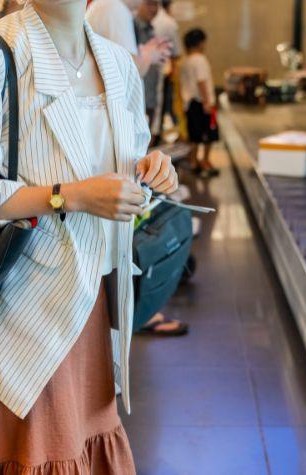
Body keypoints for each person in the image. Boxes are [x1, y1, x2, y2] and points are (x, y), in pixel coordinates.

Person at [0, 1, 179, 472]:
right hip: (19, 310)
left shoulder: (117, 62)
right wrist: (68, 197)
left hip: (92, 303)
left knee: (83, 443)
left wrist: (153, 173)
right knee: (35, 453)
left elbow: (125, 170)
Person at [89, 0, 188, 337]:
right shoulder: (111, 9)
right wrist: (145, 58)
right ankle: (135, 309)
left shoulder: (114, 12)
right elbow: (121, 77)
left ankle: (133, 307)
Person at [86, 0, 170, 77]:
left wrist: (145, 53)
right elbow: (128, 71)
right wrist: (148, 55)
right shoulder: (114, 8)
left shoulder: (112, 6)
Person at [181, 28, 219, 177]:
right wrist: (207, 102)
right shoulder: (200, 59)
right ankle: (205, 161)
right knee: (208, 134)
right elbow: (201, 81)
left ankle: (194, 162)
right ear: (200, 43)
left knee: (194, 135)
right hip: (201, 102)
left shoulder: (187, 61)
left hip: (190, 103)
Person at [134, 0, 165, 143]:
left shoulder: (150, 28)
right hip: (138, 96)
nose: (154, 9)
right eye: (150, 4)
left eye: (156, 5)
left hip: (150, 95)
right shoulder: (131, 26)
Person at [152, 0, 181, 136]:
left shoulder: (135, 17)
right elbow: (176, 54)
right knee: (160, 108)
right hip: (161, 72)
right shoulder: (169, 22)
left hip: (147, 70)